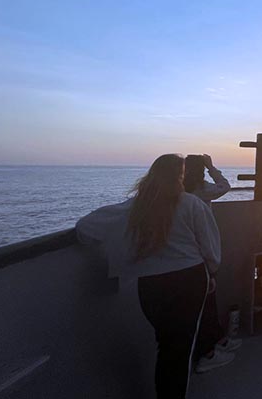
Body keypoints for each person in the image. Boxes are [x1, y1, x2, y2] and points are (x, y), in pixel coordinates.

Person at [76, 154, 226, 398]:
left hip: (150, 286)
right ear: (180, 176)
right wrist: (211, 273)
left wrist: (111, 256)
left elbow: (85, 228)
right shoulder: (191, 204)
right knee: (180, 350)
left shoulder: (136, 207)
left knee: (167, 347)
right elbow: (211, 249)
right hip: (189, 282)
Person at [183, 154, 241, 373]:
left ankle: (215, 342)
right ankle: (207, 353)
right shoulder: (202, 189)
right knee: (207, 305)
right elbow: (224, 186)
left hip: (188, 255)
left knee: (205, 305)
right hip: (202, 256)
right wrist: (211, 166)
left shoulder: (180, 190)